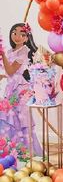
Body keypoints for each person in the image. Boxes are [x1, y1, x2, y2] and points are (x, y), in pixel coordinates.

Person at [0, 23, 42, 156]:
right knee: (11, 118)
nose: (17, 36)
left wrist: (3, 56)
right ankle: (13, 152)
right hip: (11, 89)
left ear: (26, 38)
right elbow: (8, 73)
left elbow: (11, 70)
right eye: (14, 33)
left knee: (22, 119)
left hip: (21, 91)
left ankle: (28, 153)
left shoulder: (24, 51)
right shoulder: (10, 52)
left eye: (22, 34)